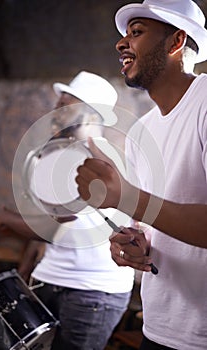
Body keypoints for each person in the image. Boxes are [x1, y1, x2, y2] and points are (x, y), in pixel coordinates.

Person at [75, 1, 207, 349]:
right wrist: (134, 243)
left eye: (136, 33)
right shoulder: (141, 131)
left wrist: (127, 196)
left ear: (176, 42)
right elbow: (156, 221)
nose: (121, 43)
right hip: (159, 328)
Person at [0, 71, 135, 350]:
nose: (54, 113)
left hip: (92, 293)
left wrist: (6, 218)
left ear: (90, 115)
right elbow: (45, 219)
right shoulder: (52, 156)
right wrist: (27, 269)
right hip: (48, 281)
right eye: (56, 105)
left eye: (65, 106)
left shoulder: (102, 162)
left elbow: (53, 227)